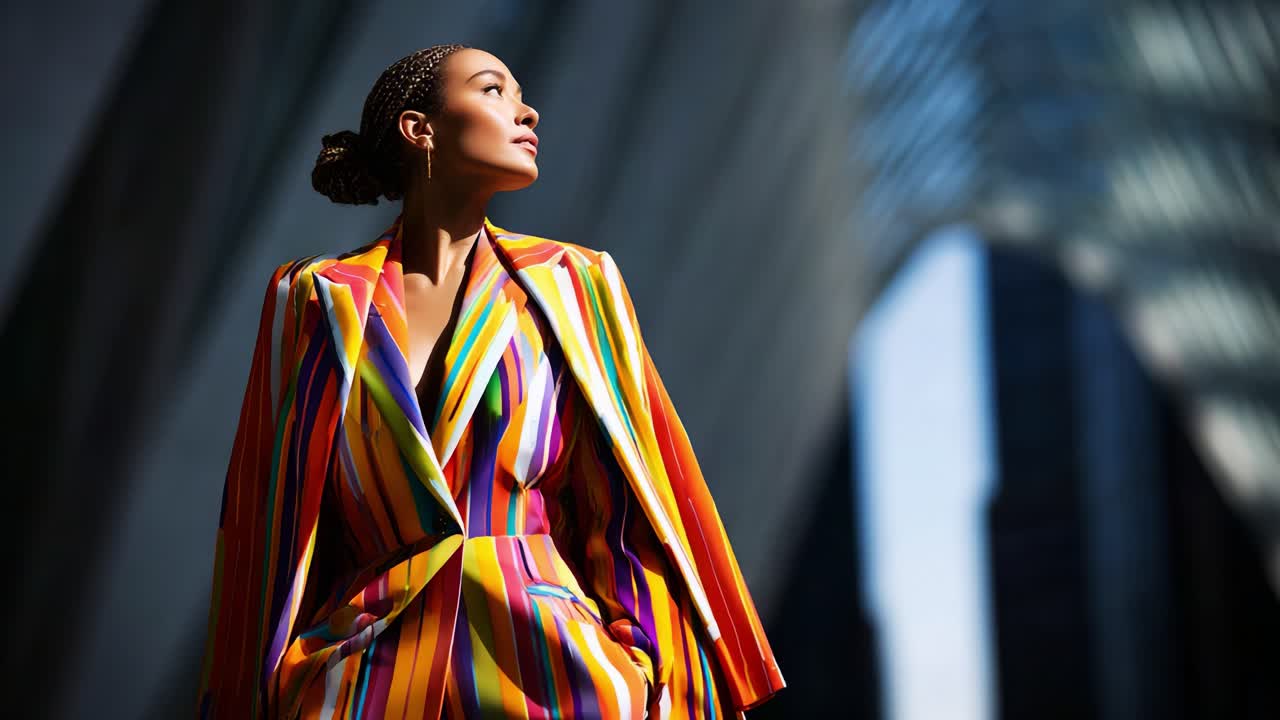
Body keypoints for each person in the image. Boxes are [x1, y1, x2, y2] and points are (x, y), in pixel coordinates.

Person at [195, 44, 784, 720]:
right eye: (494, 89)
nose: (527, 109)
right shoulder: (313, 297)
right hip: (362, 685)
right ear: (420, 130)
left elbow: (623, 510)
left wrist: (643, 676)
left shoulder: (569, 284)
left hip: (554, 678)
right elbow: (266, 523)